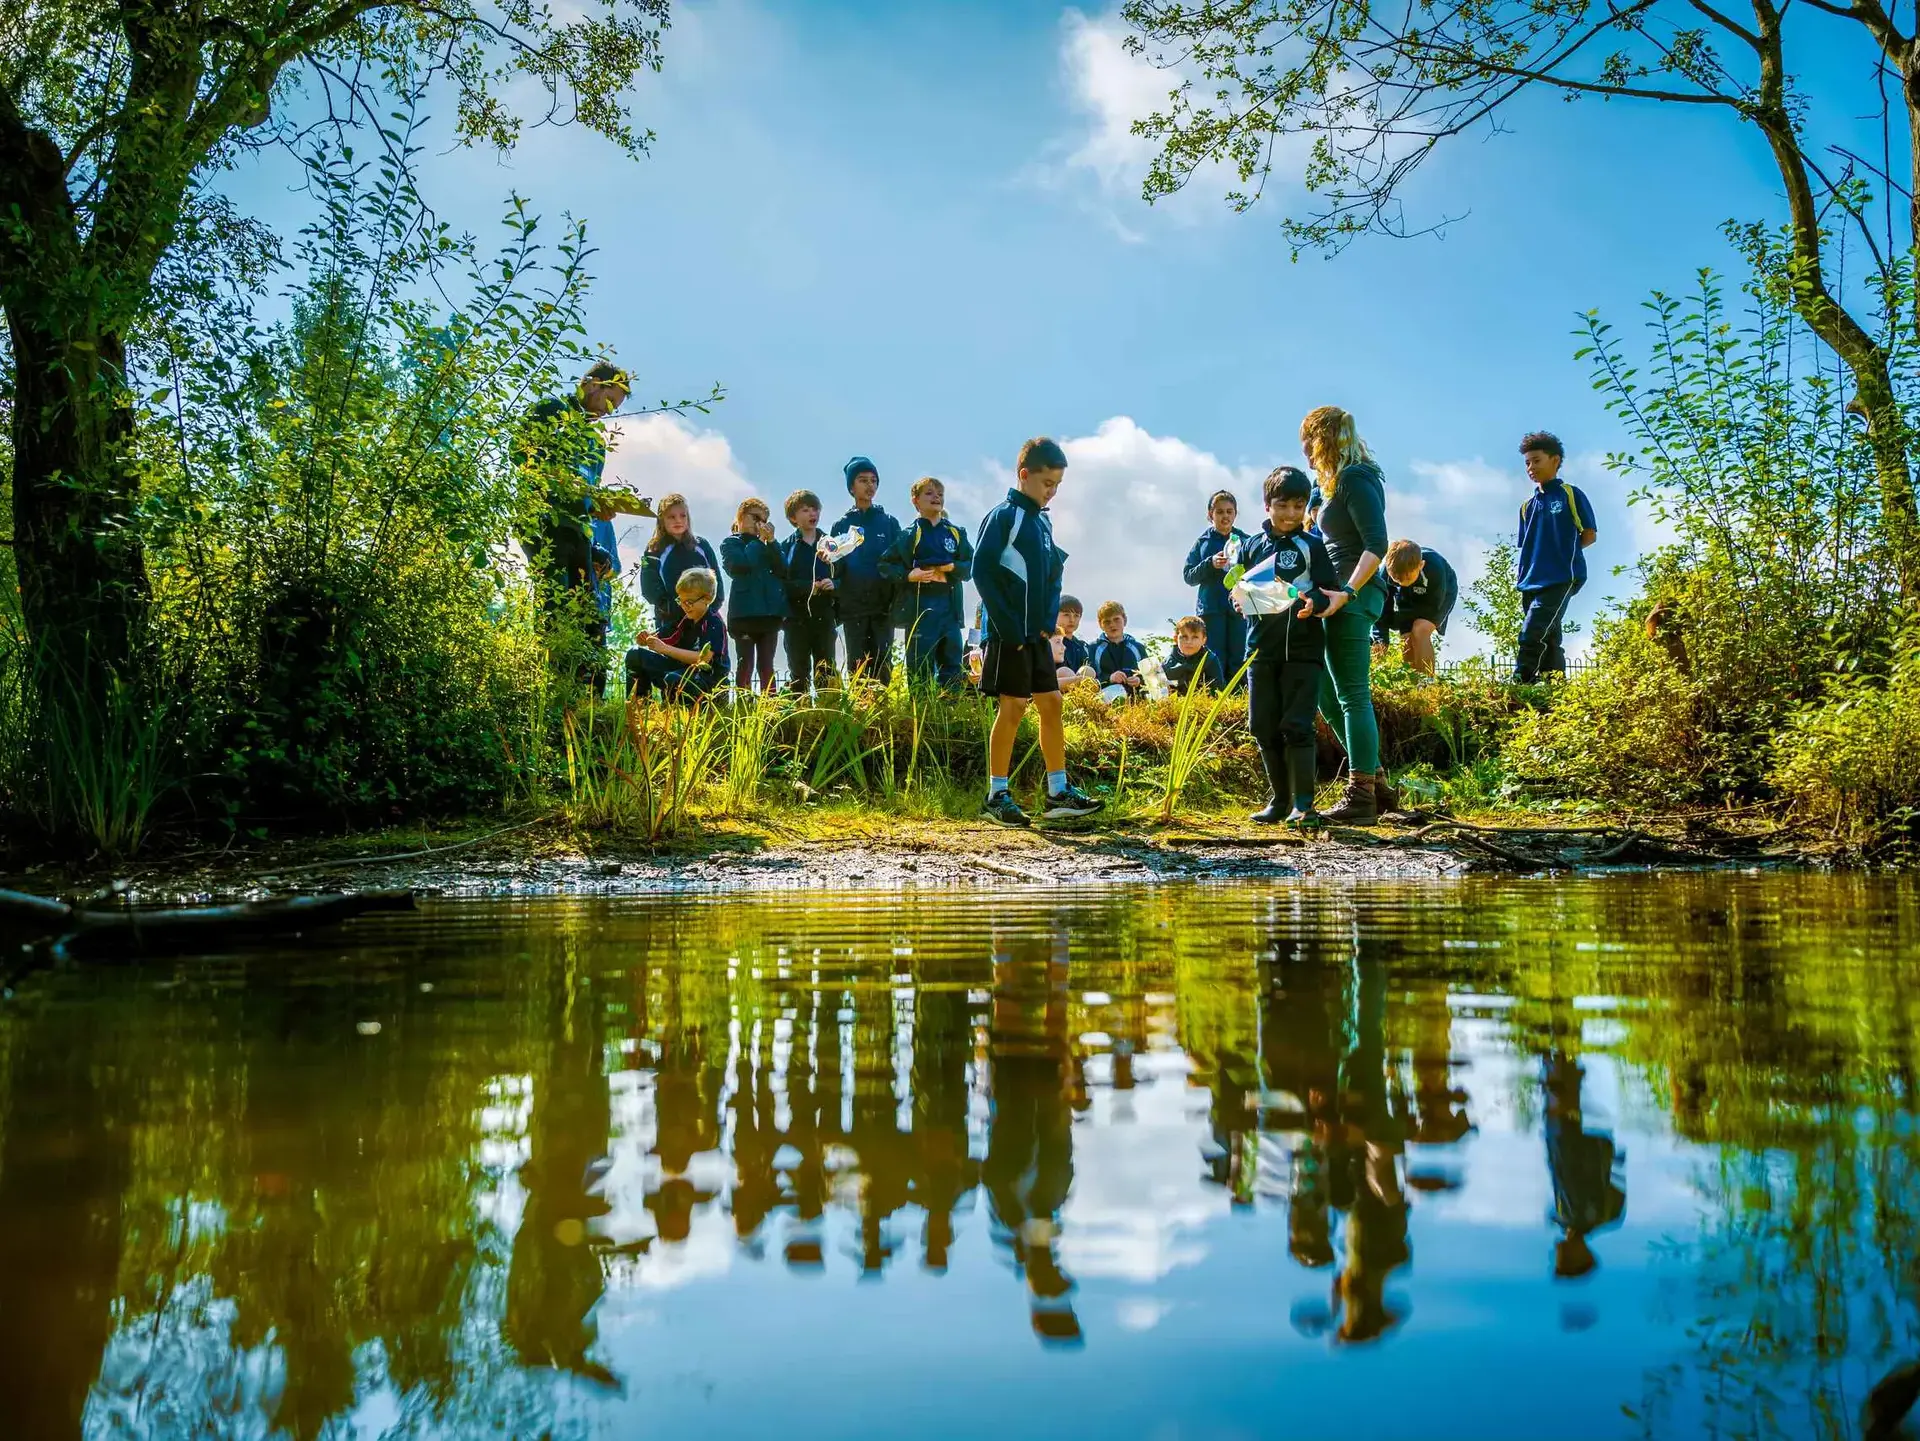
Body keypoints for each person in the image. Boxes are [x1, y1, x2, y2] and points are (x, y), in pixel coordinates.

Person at [972, 437, 1103, 826]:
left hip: (1037, 637)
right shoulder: (1004, 516)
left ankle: (1058, 793)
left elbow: (1053, 573)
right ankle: (996, 795)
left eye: (1058, 485)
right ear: (1024, 475)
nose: (1052, 492)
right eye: (1047, 484)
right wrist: (1009, 629)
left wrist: (1048, 625)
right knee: (1012, 707)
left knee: (1051, 703)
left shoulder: (1043, 522)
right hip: (1008, 635)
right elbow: (982, 571)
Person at [512, 361, 653, 696]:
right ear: (592, 384)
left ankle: (588, 696)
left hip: (579, 532)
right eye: (609, 401)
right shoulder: (551, 411)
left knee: (590, 612)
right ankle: (552, 688)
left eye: (615, 408)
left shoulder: (595, 441)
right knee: (556, 607)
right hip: (544, 522)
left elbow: (591, 489)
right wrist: (563, 480)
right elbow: (521, 455)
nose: (608, 411)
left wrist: (602, 507)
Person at [1234, 467, 1347, 825]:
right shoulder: (1251, 545)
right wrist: (1237, 600)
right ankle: (1279, 801)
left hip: (1303, 649)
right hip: (1261, 651)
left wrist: (1314, 600)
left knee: (1297, 724)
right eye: (1282, 505)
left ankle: (1304, 804)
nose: (1290, 514)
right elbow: (1239, 587)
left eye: (1299, 506)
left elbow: (1328, 588)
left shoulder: (1312, 545)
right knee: (1262, 725)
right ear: (1267, 505)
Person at [1301, 405, 1393, 823]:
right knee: (1322, 688)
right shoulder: (1331, 484)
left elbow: (1377, 543)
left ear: (1322, 439)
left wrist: (1348, 592)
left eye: (1308, 442)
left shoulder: (1357, 478)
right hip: (1329, 595)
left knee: (1352, 692)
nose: (1305, 451)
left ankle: (1361, 794)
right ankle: (1377, 782)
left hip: (1355, 596)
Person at [1512, 432, 1597, 683]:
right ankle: (1555, 688)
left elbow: (1589, 535)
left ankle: (1521, 680)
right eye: (1527, 463)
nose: (1531, 467)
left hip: (1561, 577)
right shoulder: (1527, 506)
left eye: (1536, 461)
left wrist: (1563, 556)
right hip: (1530, 581)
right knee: (1549, 637)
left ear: (1555, 460)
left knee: (1532, 632)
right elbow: (1526, 546)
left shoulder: (1570, 494)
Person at [878, 477, 974, 688]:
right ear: (916, 501)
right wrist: (909, 575)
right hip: (921, 605)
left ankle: (950, 712)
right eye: (929, 493)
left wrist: (952, 568)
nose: (936, 497)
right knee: (919, 667)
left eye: (940, 493)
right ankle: (921, 715)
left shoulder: (955, 532)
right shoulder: (910, 534)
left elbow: (970, 565)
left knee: (953, 663)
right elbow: (885, 565)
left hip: (949, 604)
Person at [831, 456, 904, 684]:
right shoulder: (841, 525)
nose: (869, 485)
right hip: (853, 608)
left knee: (882, 665)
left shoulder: (889, 523)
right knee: (857, 667)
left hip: (883, 607)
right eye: (863, 480)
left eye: (874, 480)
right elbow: (836, 567)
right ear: (852, 487)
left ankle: (883, 718)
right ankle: (860, 716)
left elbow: (898, 561)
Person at [625, 568, 728, 702]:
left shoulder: (714, 623)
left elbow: (704, 659)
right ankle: (639, 704)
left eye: (689, 602)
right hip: (682, 672)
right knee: (634, 655)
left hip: (708, 681)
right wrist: (645, 639)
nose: (685, 606)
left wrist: (664, 649)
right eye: (681, 601)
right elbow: (659, 637)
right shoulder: (684, 620)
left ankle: (677, 714)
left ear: (707, 599)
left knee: (673, 679)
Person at [1182, 489, 1251, 684]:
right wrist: (1209, 564)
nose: (1225, 516)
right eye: (1220, 512)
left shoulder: (1246, 541)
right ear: (1210, 514)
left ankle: (1239, 701)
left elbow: (1257, 573)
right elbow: (1188, 576)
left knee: (1240, 655)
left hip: (1239, 609)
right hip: (1211, 610)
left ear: (1235, 514)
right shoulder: (1203, 543)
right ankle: (1216, 698)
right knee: (1214, 657)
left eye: (1229, 511)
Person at [720, 498, 788, 693]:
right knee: (745, 664)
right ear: (741, 516)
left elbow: (783, 569)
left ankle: (770, 707)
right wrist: (759, 543)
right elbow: (741, 565)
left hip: (769, 615)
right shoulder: (731, 543)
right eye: (755, 518)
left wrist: (772, 542)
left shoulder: (770, 545)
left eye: (764, 520)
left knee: (767, 665)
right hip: (743, 615)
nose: (760, 524)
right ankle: (744, 707)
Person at [779, 489, 840, 693]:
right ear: (793, 517)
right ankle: (801, 717)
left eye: (815, 509)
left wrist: (834, 584)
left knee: (826, 670)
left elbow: (844, 575)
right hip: (795, 619)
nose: (812, 514)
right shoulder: (786, 547)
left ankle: (828, 716)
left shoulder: (831, 544)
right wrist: (808, 587)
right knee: (799, 672)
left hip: (824, 616)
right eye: (805, 510)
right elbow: (781, 583)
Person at [638, 493, 724, 636]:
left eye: (682, 516)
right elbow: (649, 588)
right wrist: (671, 608)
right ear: (661, 519)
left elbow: (717, 582)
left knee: (707, 657)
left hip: (704, 620)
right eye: (671, 517)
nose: (678, 520)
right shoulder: (654, 549)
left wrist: (709, 610)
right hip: (670, 623)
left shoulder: (702, 545)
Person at [1374, 540, 1458, 678]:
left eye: (1407, 577)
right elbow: (1381, 611)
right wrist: (1381, 640)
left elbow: (1431, 606)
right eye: (1396, 579)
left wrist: (1402, 619)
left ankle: (1426, 682)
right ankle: (1411, 684)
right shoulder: (1385, 575)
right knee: (1406, 637)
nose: (1402, 582)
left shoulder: (1434, 568)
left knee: (1420, 629)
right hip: (1408, 596)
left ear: (1421, 565)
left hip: (1440, 593)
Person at [1092, 601, 1148, 693]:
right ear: (1100, 625)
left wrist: (1139, 681)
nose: (1112, 625)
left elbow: (1150, 677)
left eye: (1116, 619)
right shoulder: (1093, 649)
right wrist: (1110, 678)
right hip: (1105, 701)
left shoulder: (1138, 648)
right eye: (1107, 621)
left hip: (1137, 702)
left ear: (1125, 620)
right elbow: (1088, 680)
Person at [1164, 615, 1226, 695]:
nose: (1189, 641)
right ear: (1176, 639)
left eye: (1195, 637)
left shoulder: (1210, 660)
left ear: (1204, 640)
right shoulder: (1168, 663)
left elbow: (1218, 689)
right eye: (1184, 637)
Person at [1055, 596, 1092, 683]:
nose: (1072, 620)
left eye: (1076, 616)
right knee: (1064, 672)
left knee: (1088, 670)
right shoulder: (1050, 643)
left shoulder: (1083, 647)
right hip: (1056, 689)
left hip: (1080, 691)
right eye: (1066, 615)